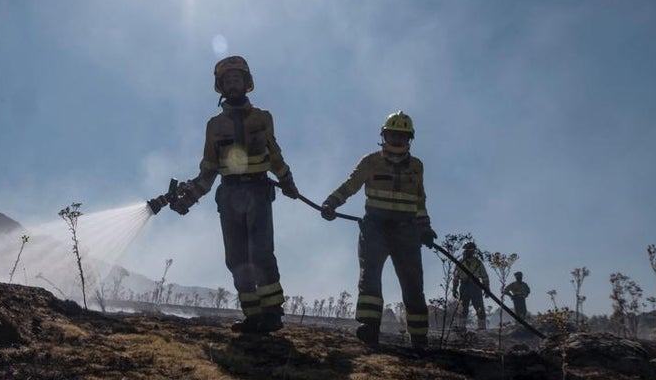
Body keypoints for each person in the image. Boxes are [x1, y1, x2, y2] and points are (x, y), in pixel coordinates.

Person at [169, 56, 300, 333]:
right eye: (227, 80)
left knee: (262, 253)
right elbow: (209, 168)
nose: (232, 83)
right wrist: (189, 199)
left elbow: (274, 153)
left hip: (258, 192)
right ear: (221, 86)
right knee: (236, 258)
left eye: (236, 78)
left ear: (246, 83)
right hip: (229, 195)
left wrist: (286, 180)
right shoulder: (214, 126)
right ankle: (253, 316)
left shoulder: (263, 118)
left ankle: (273, 314)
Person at [321, 111, 435, 350]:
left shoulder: (416, 166)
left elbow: (419, 200)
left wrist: (425, 227)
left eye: (402, 136)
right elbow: (351, 185)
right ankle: (369, 328)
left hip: (407, 231)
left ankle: (419, 339)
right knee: (370, 279)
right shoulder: (370, 161)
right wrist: (331, 203)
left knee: (413, 285)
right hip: (375, 229)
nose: (396, 140)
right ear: (384, 135)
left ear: (409, 139)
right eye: (393, 135)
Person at [453, 242, 490, 330]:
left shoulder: (478, 263)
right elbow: (456, 277)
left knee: (479, 306)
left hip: (475, 286)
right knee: (463, 307)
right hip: (464, 286)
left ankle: (482, 327)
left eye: (469, 250)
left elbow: (484, 277)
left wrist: (487, 288)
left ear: (473, 252)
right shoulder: (460, 262)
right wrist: (454, 289)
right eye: (466, 250)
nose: (467, 252)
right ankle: (462, 327)